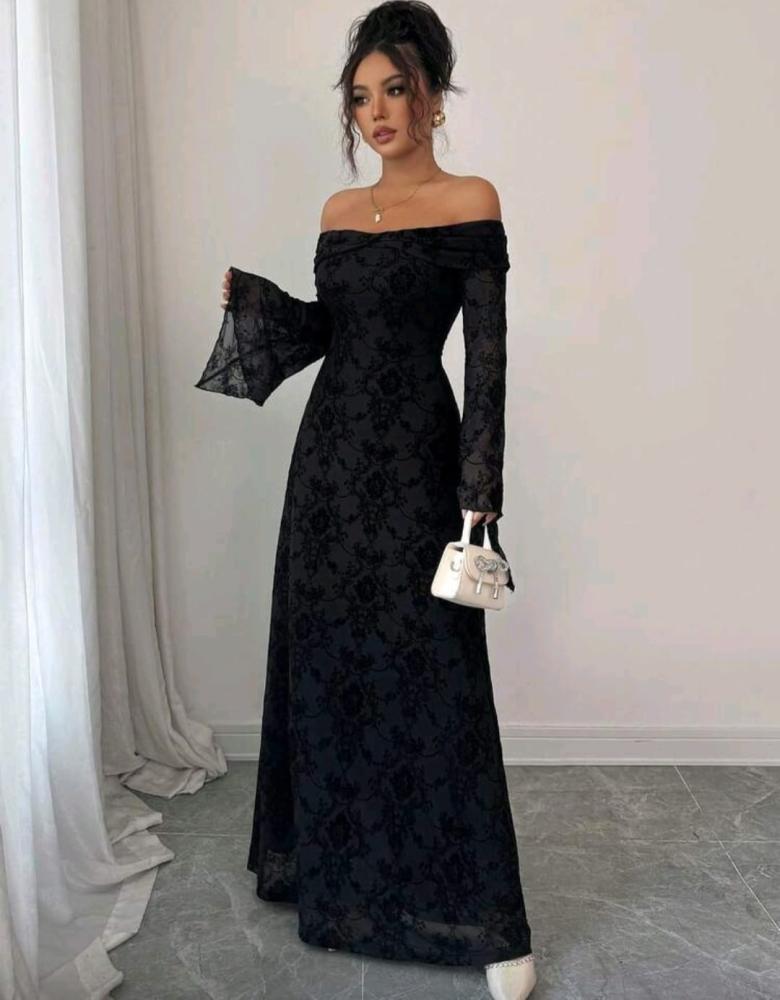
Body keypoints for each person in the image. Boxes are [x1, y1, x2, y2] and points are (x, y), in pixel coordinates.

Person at [195, 3, 536, 997]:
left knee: (435, 671)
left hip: (419, 462)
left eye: (396, 90)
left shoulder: (471, 199)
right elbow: (333, 332)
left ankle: (488, 921)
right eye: (360, 97)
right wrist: (261, 306)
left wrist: (479, 494)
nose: (378, 111)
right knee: (333, 659)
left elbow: (487, 360)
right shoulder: (339, 213)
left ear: (433, 96)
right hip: (329, 469)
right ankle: (341, 876)